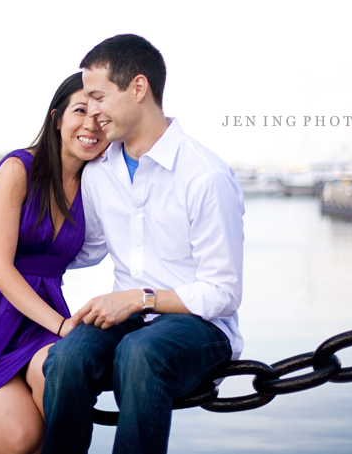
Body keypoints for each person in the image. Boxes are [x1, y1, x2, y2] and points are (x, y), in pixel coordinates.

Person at [41, 34, 245, 454]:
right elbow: (89, 247)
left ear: (138, 88)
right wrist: (13, 249)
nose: (91, 111)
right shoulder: (101, 170)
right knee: (65, 359)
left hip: (200, 326)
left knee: (140, 353)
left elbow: (223, 293)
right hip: (129, 318)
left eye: (99, 96)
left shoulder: (204, 176)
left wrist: (140, 300)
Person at [0, 72, 108, 453]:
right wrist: (63, 325)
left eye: (102, 117)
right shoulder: (19, 169)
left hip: (39, 318)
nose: (91, 125)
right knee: (20, 436)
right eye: (81, 110)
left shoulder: (98, 184)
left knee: (58, 383)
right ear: (56, 116)